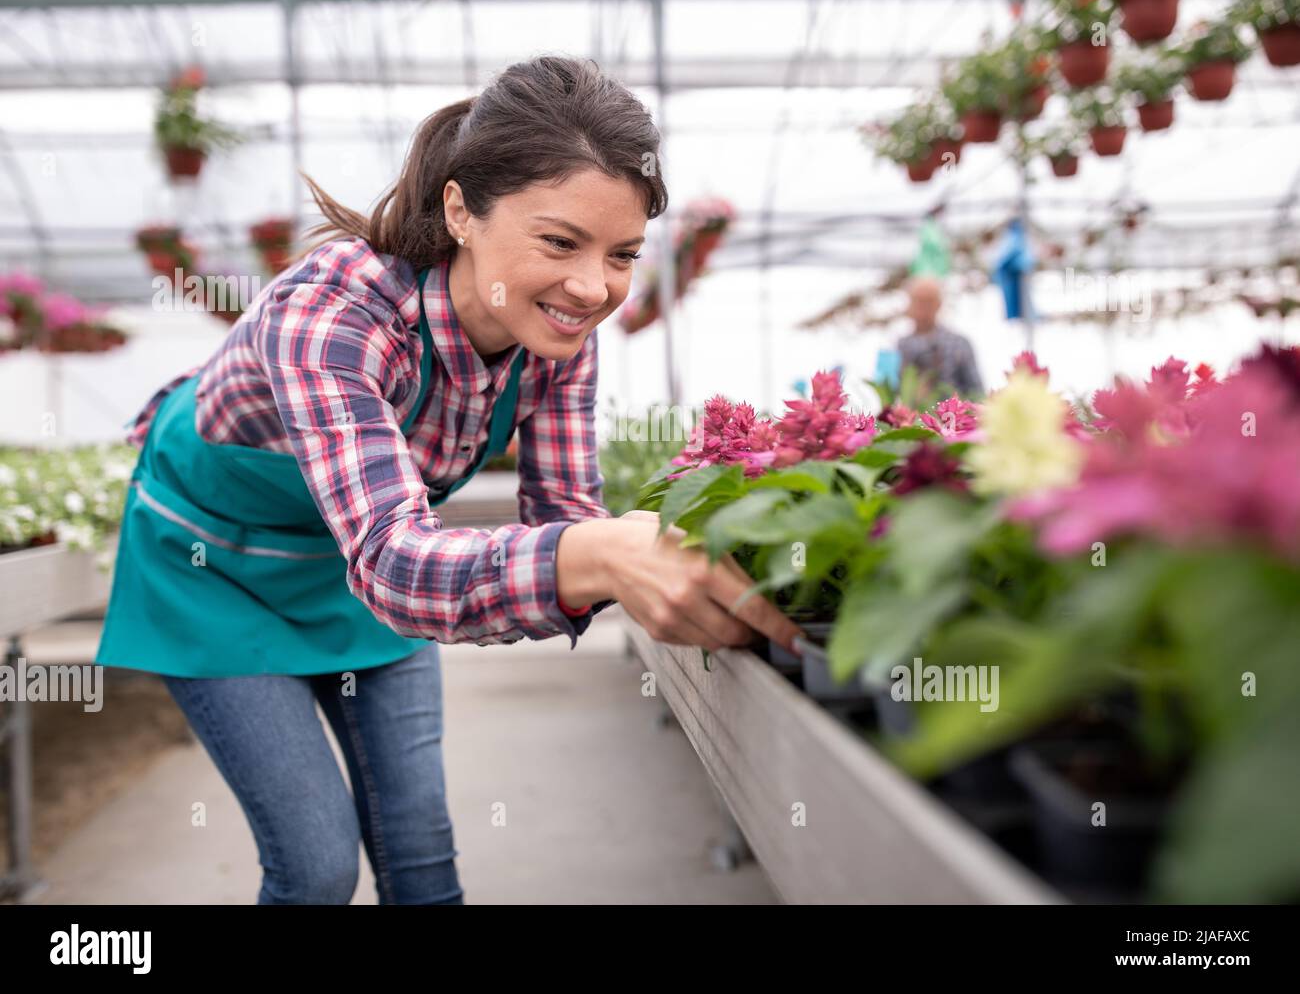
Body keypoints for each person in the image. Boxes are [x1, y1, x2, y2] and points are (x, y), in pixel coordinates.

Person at [96, 56, 801, 905]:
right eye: (559, 241)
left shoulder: (559, 332)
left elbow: (565, 521)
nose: (592, 286)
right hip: (217, 569)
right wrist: (604, 555)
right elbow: (398, 565)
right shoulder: (334, 312)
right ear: (461, 210)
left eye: (622, 254)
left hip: (361, 563)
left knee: (421, 858)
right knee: (316, 867)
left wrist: (705, 556)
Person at [897, 274, 984, 397]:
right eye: (917, 301)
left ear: (939, 304)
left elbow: (977, 393)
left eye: (928, 302)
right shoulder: (899, 346)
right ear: (909, 304)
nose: (922, 308)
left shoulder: (959, 344)